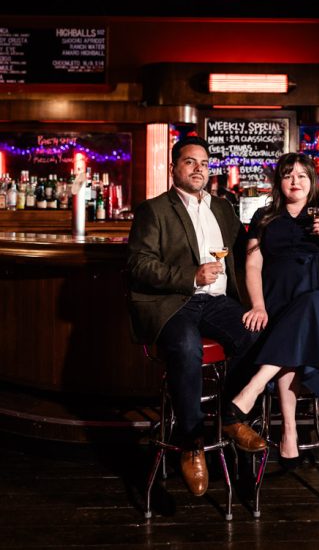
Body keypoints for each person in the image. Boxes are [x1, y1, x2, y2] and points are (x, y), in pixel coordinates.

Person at [127, 136, 266, 498]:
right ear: (173, 167)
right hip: (174, 303)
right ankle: (191, 442)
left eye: (204, 162)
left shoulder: (223, 207)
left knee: (257, 332)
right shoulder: (154, 210)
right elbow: (139, 265)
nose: (199, 168)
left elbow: (244, 247)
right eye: (190, 162)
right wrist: (191, 275)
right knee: (188, 348)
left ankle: (231, 417)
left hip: (216, 303)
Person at [225, 152, 319, 468]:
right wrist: (257, 304)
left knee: (306, 310)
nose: (295, 181)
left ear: (313, 180)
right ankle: (290, 435)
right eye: (288, 175)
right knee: (293, 335)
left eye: (302, 175)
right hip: (278, 301)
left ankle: (252, 390)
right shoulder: (264, 217)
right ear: (278, 182)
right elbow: (252, 264)